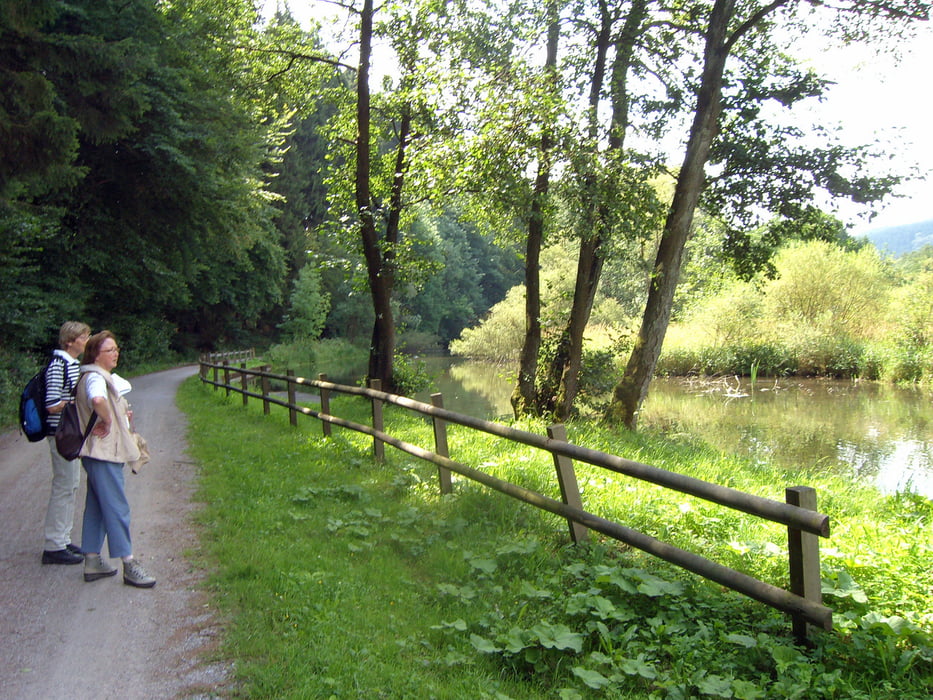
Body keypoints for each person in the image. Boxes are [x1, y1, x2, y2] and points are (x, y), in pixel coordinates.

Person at [75, 330, 156, 588]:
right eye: (110, 350)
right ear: (96, 355)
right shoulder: (95, 378)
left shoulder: (93, 375)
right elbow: (97, 399)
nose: (116, 353)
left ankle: (91, 560)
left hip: (97, 452)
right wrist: (108, 419)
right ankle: (129, 564)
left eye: (116, 349)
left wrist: (119, 415)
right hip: (103, 453)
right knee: (117, 507)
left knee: (98, 505)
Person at [41, 321, 91, 565]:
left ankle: (62, 539)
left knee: (71, 485)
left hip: (70, 432)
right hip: (61, 433)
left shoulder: (71, 364)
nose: (86, 341)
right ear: (70, 341)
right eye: (83, 337)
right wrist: (73, 403)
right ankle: (54, 545)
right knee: (64, 485)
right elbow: (51, 404)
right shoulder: (58, 365)